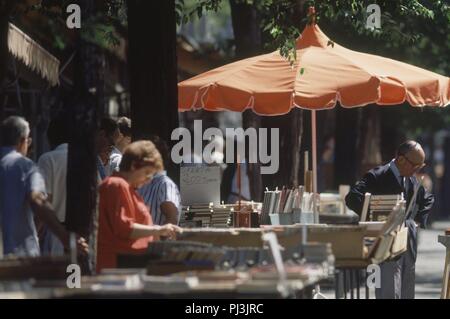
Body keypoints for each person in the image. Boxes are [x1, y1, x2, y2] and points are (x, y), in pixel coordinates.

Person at [346, 140, 435, 299]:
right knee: (389, 290)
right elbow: (352, 198)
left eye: (420, 167)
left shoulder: (412, 179)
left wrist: (418, 221)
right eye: (415, 166)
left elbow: (428, 198)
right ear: (401, 160)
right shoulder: (377, 175)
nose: (417, 170)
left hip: (408, 241)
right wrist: (372, 216)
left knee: (407, 290)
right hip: (386, 243)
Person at [0, 116, 88, 257]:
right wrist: (64, 237)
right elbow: (38, 200)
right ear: (23, 140)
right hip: (20, 253)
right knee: (68, 278)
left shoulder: (45, 159)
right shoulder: (25, 166)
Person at [96, 140, 181, 272]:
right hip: (119, 267)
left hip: (130, 264)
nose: (148, 179)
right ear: (134, 166)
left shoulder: (128, 189)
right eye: (147, 173)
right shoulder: (117, 185)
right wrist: (158, 230)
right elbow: (125, 228)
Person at [37, 115, 69, 255]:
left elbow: (45, 200)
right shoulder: (86, 159)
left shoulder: (48, 159)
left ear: (50, 137)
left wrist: (36, 231)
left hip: (56, 234)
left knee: (56, 275)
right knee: (74, 275)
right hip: (82, 235)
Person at [138, 135, 181, 225]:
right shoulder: (141, 183)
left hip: (154, 239)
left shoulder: (164, 184)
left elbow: (172, 219)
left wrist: (158, 237)